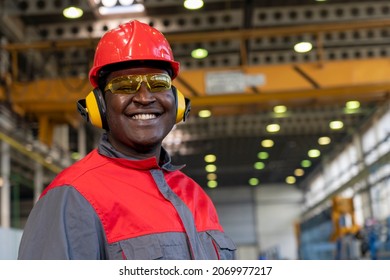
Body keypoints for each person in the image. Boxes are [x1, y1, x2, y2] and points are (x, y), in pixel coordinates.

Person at [18, 20, 236, 260]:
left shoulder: (194, 195)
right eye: (124, 86)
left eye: (158, 83)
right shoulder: (72, 197)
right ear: (99, 105)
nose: (144, 98)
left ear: (177, 101)